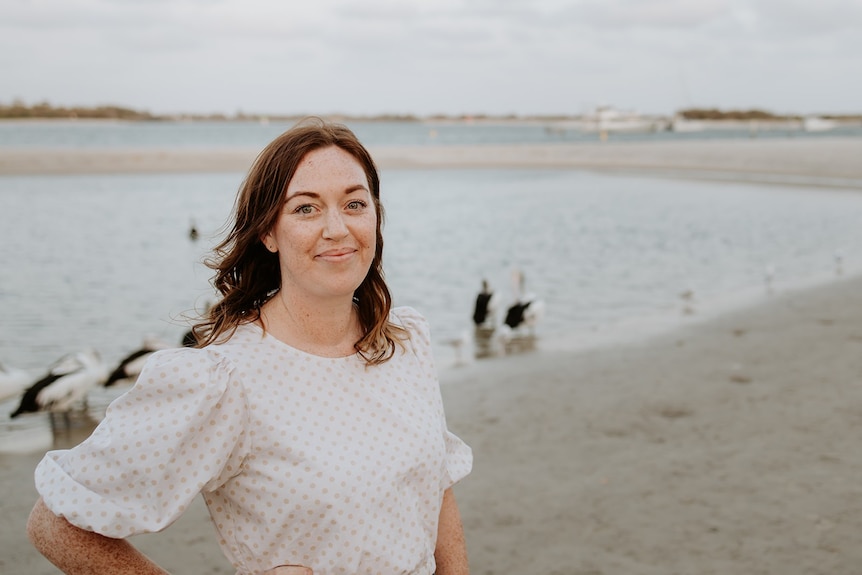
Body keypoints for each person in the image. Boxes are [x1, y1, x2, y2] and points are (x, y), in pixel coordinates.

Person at [26, 118, 473, 575]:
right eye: (305, 209)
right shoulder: (225, 380)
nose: (337, 228)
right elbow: (56, 523)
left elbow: (436, 485)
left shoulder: (405, 339)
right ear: (268, 232)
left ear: (375, 216)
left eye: (354, 203)